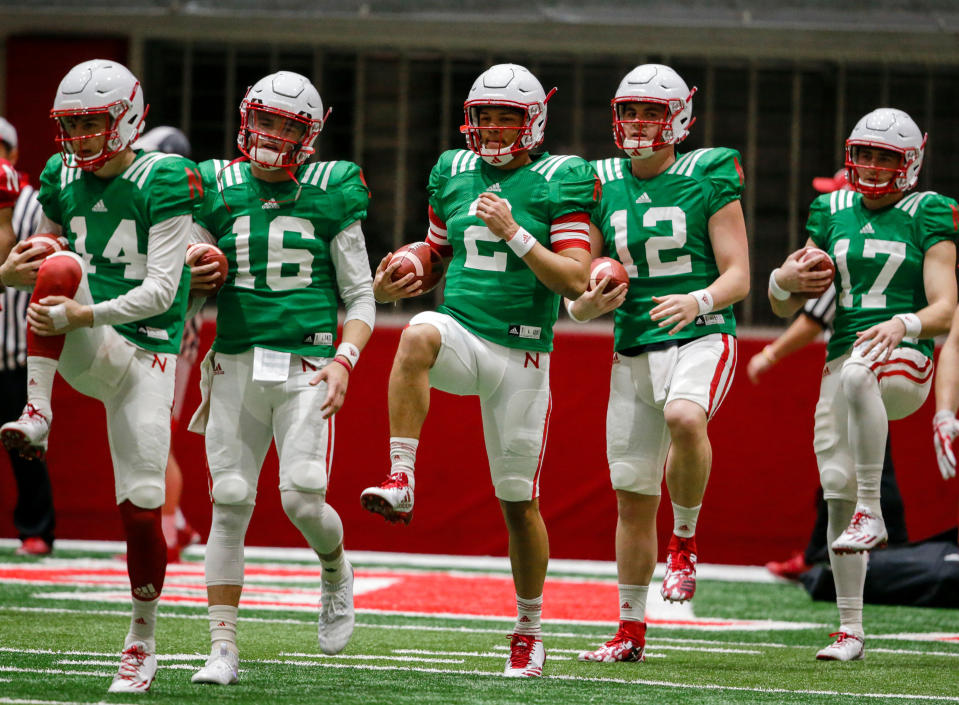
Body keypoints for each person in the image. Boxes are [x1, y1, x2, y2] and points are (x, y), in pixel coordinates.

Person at [361, 63, 597, 678]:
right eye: (484, 115)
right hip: (461, 330)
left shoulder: (560, 177)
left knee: (518, 503)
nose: (492, 127)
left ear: (534, 121)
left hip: (521, 350)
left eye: (506, 116)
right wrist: (402, 277)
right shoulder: (454, 170)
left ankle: (528, 627)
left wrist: (516, 232)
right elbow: (438, 252)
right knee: (415, 333)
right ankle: (403, 476)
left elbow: (574, 279)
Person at [0, 60, 199, 692]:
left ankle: (142, 636)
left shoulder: (163, 176)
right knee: (56, 261)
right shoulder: (61, 175)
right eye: (73, 124)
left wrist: (81, 310)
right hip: (88, 339)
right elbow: (43, 257)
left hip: (148, 352)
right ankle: (37, 414)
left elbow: (165, 291)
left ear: (128, 119)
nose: (81, 137)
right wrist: (11, 273)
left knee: (142, 509)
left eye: (94, 123)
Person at [186, 70, 375, 686]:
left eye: (287, 126)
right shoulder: (213, 184)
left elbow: (361, 297)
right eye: (265, 120)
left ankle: (335, 568)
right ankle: (222, 649)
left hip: (306, 367)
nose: (271, 135)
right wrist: (193, 271)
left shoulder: (333, 186)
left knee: (301, 493)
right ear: (246, 119)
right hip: (236, 362)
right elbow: (178, 281)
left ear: (310, 137)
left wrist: (344, 361)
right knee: (231, 499)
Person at [566, 64, 749, 664]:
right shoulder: (598, 180)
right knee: (632, 495)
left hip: (702, 334)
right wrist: (584, 304)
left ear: (680, 118)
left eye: (651, 111)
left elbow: (739, 276)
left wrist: (697, 300)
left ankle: (687, 540)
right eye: (630, 111)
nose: (639, 124)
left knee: (685, 419)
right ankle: (629, 631)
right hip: (632, 347)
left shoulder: (707, 171)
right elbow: (580, 286)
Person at [768, 107, 957, 661]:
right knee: (834, 489)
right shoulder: (830, 208)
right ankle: (850, 630)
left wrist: (905, 323)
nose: (873, 166)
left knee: (859, 371)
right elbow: (784, 304)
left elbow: (947, 308)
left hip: (904, 355)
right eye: (866, 154)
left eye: (886, 157)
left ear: (911, 163)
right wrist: (784, 279)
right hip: (843, 364)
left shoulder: (930, 212)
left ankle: (872, 510)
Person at [752, 173, 908, 581]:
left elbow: (812, 318)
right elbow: (796, 306)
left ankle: (883, 553)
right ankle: (875, 553)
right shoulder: (838, 237)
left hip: (874, 359)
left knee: (851, 469)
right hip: (862, 360)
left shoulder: (852, 246)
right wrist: (781, 281)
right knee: (849, 468)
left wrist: (769, 354)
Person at [133, 126, 201, 563]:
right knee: (153, 431)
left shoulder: (174, 206)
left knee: (161, 435)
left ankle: (169, 525)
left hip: (172, 325)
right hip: (162, 322)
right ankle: (179, 525)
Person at [0, 116, 56, 556]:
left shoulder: (35, 205)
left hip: (16, 348)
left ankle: (35, 528)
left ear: (14, 154)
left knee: (25, 450)